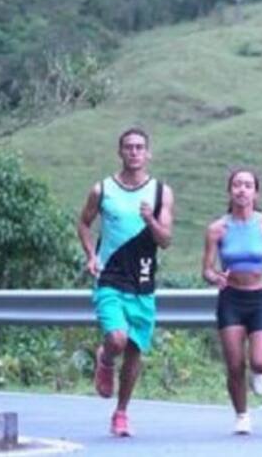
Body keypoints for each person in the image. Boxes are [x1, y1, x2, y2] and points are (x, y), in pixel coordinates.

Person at [77, 127, 175, 438]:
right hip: (109, 277)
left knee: (134, 349)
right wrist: (91, 254)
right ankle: (105, 358)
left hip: (143, 282)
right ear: (120, 152)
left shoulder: (161, 192)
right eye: (128, 147)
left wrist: (150, 220)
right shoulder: (102, 189)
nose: (134, 152)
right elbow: (84, 223)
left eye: (140, 147)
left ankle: (121, 413)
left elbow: (166, 240)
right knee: (117, 339)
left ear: (149, 154)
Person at [201, 167, 262, 435]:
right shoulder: (217, 229)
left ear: (256, 192)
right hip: (231, 298)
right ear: (230, 191)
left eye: (247, 185)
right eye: (237, 185)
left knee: (259, 362)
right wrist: (215, 278)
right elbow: (207, 269)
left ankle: (261, 371)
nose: (242, 190)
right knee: (234, 364)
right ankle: (242, 414)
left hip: (259, 297)